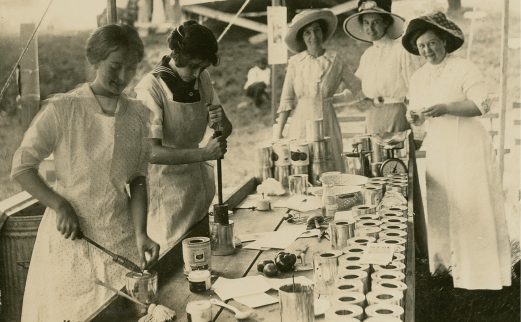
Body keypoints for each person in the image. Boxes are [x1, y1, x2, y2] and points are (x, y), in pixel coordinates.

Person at [11, 24, 160, 321]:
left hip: (119, 238)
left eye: (131, 68)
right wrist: (59, 204)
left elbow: (138, 180)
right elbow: (21, 168)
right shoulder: (64, 109)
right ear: (96, 60)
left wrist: (141, 232)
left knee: (124, 312)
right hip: (71, 238)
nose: (122, 77)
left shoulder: (137, 115)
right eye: (115, 66)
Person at [403, 11, 511, 289]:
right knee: (443, 206)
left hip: (467, 144)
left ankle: (481, 274)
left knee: (470, 205)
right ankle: (448, 270)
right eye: (421, 46)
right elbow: (417, 115)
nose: (427, 50)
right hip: (439, 144)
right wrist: (415, 119)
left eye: (432, 43)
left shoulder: (463, 67)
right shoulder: (418, 77)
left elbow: (481, 105)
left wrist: (447, 108)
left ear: (444, 41)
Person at [135, 20, 232, 248]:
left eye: (204, 68)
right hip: (167, 194)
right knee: (176, 262)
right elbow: (150, 152)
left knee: (203, 256)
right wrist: (204, 153)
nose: (198, 73)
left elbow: (225, 128)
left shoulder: (202, 78)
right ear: (177, 55)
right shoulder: (151, 88)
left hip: (198, 186)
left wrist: (222, 125)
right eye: (194, 66)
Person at [275, 9, 354, 172]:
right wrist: (278, 134)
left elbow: (358, 88)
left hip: (327, 123)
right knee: (303, 168)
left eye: (317, 30)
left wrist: (334, 99)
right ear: (302, 38)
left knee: (329, 169)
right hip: (300, 123)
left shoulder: (335, 60)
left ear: (323, 32)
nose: (313, 36)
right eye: (307, 33)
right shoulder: (295, 63)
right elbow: (286, 100)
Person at [343, 0, 423, 134]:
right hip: (372, 115)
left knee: (396, 155)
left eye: (375, 22)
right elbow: (356, 89)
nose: (370, 28)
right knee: (373, 154)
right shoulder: (368, 55)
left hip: (397, 114)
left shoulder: (401, 51)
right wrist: (329, 98)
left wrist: (417, 124)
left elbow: (416, 88)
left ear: (386, 23)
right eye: (366, 23)